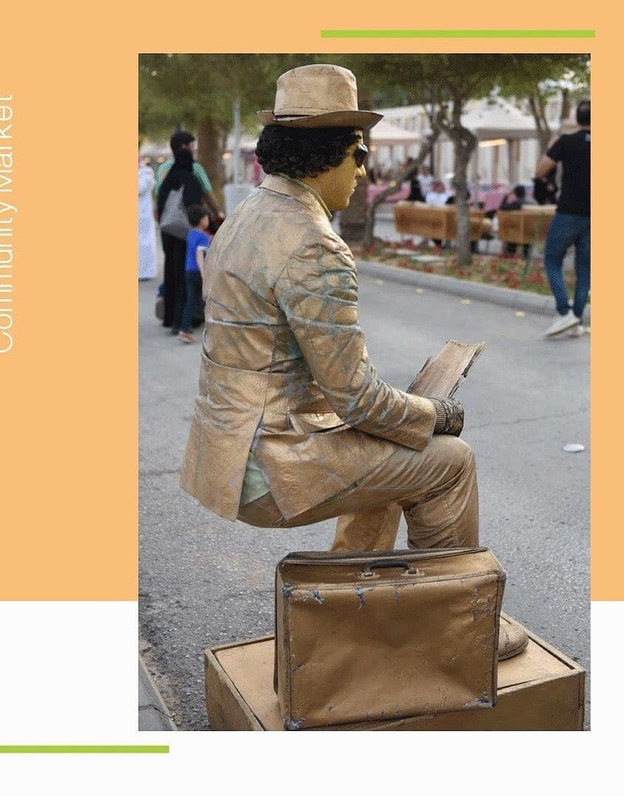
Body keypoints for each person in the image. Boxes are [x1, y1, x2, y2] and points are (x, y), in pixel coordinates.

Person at [180, 63, 527, 660]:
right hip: (270, 460)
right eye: (358, 155)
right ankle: (454, 629)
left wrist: (404, 417)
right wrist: (435, 413)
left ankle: (338, 617)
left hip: (228, 448)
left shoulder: (248, 216)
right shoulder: (313, 243)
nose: (363, 171)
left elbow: (327, 382)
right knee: (450, 462)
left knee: (395, 455)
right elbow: (356, 398)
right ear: (326, 157)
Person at [535, 100, 590, 338]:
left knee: (552, 259)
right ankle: (576, 321)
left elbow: (541, 171)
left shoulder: (566, 142)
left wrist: (551, 147)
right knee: (585, 268)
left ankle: (564, 312)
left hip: (569, 211)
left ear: (577, 119)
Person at [156, 148, 206, 334]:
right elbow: (196, 208)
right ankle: (185, 319)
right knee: (185, 280)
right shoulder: (191, 180)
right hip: (185, 236)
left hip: (168, 235)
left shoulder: (167, 181)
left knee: (171, 274)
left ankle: (170, 317)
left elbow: (160, 206)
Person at [176, 205, 211, 344]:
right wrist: (203, 273)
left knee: (190, 301)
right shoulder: (203, 237)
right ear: (202, 220)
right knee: (208, 299)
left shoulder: (190, 234)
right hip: (198, 271)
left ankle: (184, 330)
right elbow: (199, 254)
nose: (208, 220)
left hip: (188, 271)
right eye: (206, 218)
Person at [499, 184, 534, 258]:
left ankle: (511, 253)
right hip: (531, 231)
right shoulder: (533, 201)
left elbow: (502, 208)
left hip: (519, 231)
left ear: (515, 193)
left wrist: (506, 196)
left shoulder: (517, 202)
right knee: (521, 227)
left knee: (512, 229)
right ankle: (526, 254)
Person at [138, 158, 158, 281]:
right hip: (141, 214)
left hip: (143, 214)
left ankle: (144, 272)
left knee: (144, 242)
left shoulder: (146, 173)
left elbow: (140, 188)